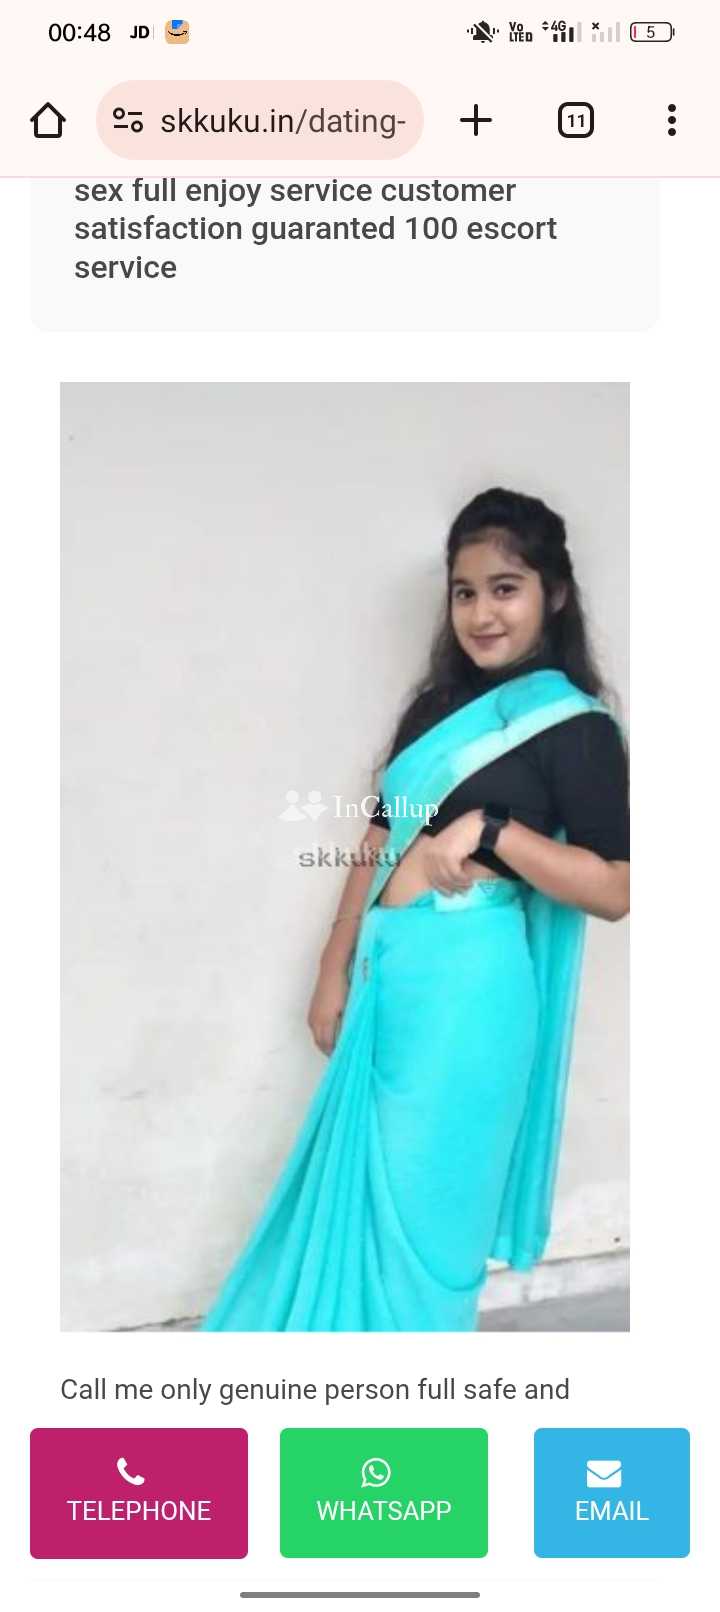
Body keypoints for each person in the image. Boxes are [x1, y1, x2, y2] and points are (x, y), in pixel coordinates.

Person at [201, 487, 629, 1332]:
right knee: (362, 1198)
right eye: (465, 592)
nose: (482, 613)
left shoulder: (574, 728)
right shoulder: (435, 710)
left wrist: (495, 831)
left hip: (472, 996)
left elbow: (616, 888)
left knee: (431, 1211)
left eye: (505, 588)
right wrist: (333, 966)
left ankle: (413, 1390)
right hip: (388, 977)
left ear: (554, 594)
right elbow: (380, 836)